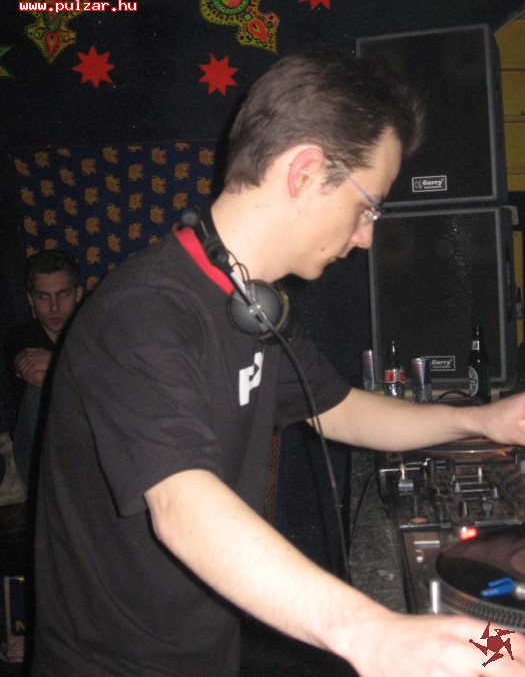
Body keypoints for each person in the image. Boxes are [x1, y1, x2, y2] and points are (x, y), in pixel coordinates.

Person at [32, 46, 525, 677]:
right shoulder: (143, 315)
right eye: (368, 205)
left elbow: (340, 410)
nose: (367, 236)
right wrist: (374, 634)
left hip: (206, 649)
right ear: (305, 172)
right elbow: (182, 505)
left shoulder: (253, 306)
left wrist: (483, 421)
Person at [3, 250, 83, 486]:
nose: (54, 307)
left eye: (63, 294)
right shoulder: (20, 337)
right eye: (43, 297)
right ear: (30, 299)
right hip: (37, 455)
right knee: (42, 380)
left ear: (78, 294)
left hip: (84, 441)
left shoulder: (92, 332)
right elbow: (36, 374)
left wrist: (56, 362)